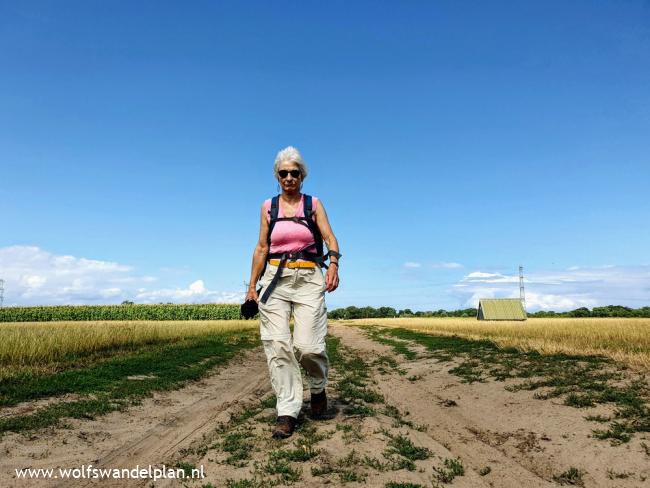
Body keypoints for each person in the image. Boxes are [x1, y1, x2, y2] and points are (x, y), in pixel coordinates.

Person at [246, 146, 340, 439]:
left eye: (294, 173)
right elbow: (262, 248)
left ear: (302, 176)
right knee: (277, 345)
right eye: (283, 173)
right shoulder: (267, 207)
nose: (289, 177)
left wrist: (334, 263)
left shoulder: (313, 204)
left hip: (310, 277)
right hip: (275, 279)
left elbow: (329, 237)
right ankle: (287, 410)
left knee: (308, 346)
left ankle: (318, 386)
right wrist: (251, 287)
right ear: (277, 176)